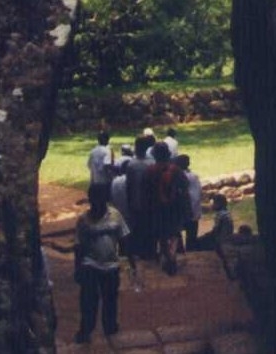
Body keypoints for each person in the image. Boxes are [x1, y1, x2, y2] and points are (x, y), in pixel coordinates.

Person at [73, 184, 136, 343]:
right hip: (90, 264)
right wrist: (78, 268)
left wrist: (131, 261)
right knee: (88, 300)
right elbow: (78, 246)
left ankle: (110, 326)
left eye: (100, 199)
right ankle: (86, 329)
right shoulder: (83, 221)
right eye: (94, 200)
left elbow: (124, 239)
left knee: (110, 298)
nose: (97, 203)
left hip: (111, 265)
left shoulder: (115, 216)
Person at [146, 142, 189, 274]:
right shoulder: (176, 170)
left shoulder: (150, 170)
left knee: (162, 234)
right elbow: (185, 186)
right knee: (174, 233)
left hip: (157, 207)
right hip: (173, 207)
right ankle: (172, 255)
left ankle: (167, 256)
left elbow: (146, 191)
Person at [124, 134, 157, 258]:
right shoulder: (151, 162)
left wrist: (129, 203)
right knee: (150, 232)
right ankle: (150, 254)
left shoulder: (132, 165)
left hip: (136, 203)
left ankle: (138, 255)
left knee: (137, 231)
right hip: (150, 203)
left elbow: (129, 187)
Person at [174, 154, 203, 250]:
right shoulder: (194, 176)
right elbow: (198, 193)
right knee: (191, 236)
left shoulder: (179, 176)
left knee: (177, 233)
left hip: (183, 210)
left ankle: (180, 251)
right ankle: (191, 251)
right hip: (194, 209)